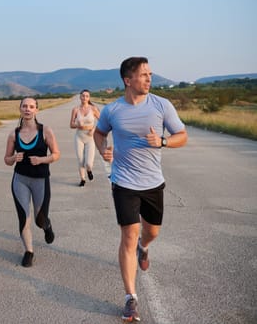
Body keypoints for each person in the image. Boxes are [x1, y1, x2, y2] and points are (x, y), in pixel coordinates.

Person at [94, 57, 187, 322]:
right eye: (143, 74)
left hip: (153, 183)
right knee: (128, 235)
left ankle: (144, 247)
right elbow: (99, 134)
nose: (149, 78)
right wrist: (103, 150)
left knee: (151, 232)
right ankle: (130, 299)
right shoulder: (112, 110)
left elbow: (182, 136)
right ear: (128, 80)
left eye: (150, 74)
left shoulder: (161, 105)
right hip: (123, 182)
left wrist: (163, 141)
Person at [4, 97, 60, 267]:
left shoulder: (46, 131)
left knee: (39, 219)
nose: (28, 109)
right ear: (20, 109)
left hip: (40, 180)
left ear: (37, 110)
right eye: (24, 106)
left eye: (31, 106)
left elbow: (56, 154)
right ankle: (29, 251)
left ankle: (47, 226)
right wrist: (14, 157)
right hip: (20, 180)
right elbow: (6, 159)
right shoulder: (14, 134)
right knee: (24, 218)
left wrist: (42, 160)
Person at [69, 89, 100, 186]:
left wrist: (94, 129)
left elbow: (102, 121)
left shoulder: (93, 108)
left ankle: (89, 170)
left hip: (90, 137)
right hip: (79, 136)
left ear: (89, 98)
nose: (84, 98)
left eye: (87, 96)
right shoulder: (75, 109)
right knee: (80, 160)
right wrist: (78, 125)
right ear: (80, 97)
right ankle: (82, 179)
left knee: (88, 163)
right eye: (83, 96)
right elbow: (71, 124)